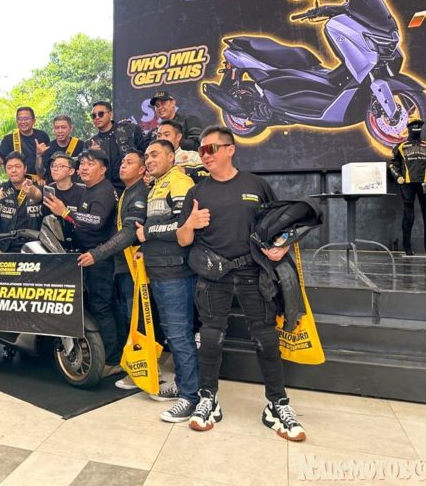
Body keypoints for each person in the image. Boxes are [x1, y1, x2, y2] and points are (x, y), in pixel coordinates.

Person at [176, 125, 306, 441]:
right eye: (201, 150)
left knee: (267, 340)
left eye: (211, 148)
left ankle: (277, 405)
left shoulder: (256, 185)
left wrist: (282, 247)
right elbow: (182, 239)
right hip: (213, 277)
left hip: (253, 274)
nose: (205, 155)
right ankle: (208, 399)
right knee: (210, 338)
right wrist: (190, 224)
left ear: (230, 149)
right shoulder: (196, 192)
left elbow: (281, 225)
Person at [135, 140, 198, 422]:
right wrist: (145, 245)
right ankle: (184, 386)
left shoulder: (180, 182)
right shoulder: (156, 186)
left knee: (180, 336)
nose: (149, 160)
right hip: (159, 270)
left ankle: (190, 398)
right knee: (174, 335)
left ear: (172, 156)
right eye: (146, 156)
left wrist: (148, 233)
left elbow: (183, 226)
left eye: (155, 154)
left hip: (176, 273)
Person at [44, 149, 122, 375]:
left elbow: (96, 221)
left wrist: (65, 212)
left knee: (101, 306)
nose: (84, 168)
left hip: (99, 257)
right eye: (83, 164)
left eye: (91, 164)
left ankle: (113, 359)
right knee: (100, 305)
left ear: (103, 169)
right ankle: (109, 352)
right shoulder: (88, 189)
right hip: (87, 255)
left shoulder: (104, 190)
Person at [78, 150, 148, 389]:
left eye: (130, 162)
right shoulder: (127, 191)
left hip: (127, 263)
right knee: (118, 310)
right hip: (118, 262)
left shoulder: (134, 192)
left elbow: (126, 231)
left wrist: (97, 254)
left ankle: (128, 364)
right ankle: (124, 359)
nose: (123, 165)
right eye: (123, 161)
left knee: (125, 313)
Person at [389, 117, 426, 256]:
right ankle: (407, 248)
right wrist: (398, 177)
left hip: (425, 183)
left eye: (419, 125)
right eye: (413, 125)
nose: (416, 127)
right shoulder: (400, 146)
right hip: (408, 185)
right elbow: (393, 164)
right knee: (409, 217)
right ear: (408, 128)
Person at [87, 101, 150, 192]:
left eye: (100, 114)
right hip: (106, 190)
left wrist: (147, 175)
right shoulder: (90, 143)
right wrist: (90, 155)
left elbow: (146, 154)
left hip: (134, 184)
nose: (97, 117)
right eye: (93, 116)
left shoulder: (130, 129)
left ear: (110, 114)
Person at [0, 152, 43, 252]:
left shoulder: (37, 186)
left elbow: (37, 196)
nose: (13, 170)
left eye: (17, 166)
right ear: (5, 170)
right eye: (9, 167)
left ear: (25, 169)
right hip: (5, 247)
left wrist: (31, 192)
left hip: (33, 246)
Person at [0, 106, 51, 178]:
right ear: (16, 121)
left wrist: (39, 155)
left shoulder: (42, 136)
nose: (23, 122)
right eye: (20, 119)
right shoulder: (8, 139)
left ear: (34, 121)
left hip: (39, 179)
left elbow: (48, 162)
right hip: (18, 180)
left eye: (26, 119)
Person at [43, 153, 85, 249]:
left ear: (71, 171)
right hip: (53, 243)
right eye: (53, 166)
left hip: (78, 243)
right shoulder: (48, 190)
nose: (55, 169)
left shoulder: (82, 192)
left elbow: (84, 223)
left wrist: (63, 212)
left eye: (60, 166)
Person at [36, 115, 84, 184]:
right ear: (53, 129)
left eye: (63, 127)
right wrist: (38, 155)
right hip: (53, 186)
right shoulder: (48, 148)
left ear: (71, 128)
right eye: (57, 128)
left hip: (75, 186)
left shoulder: (80, 145)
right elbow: (41, 174)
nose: (60, 131)